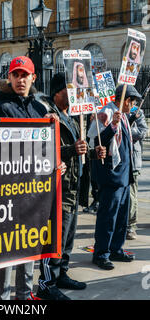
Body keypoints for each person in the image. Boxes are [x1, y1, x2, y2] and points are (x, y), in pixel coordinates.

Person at [37, 72, 106, 300]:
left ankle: (62, 274)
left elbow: (80, 153)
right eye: (69, 90)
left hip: (74, 189)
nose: (75, 94)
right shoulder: (49, 116)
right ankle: (46, 284)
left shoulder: (73, 118)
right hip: (58, 188)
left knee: (67, 238)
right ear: (58, 92)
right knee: (54, 239)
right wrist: (70, 151)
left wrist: (95, 153)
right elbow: (43, 152)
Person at [0, 56, 49, 300]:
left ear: (33, 78)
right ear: (10, 78)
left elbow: (45, 147)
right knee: (5, 248)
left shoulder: (39, 109)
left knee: (28, 243)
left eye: (25, 75)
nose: (20, 79)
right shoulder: (1, 107)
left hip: (33, 191)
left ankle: (24, 295)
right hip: (7, 191)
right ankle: (2, 299)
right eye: (16, 75)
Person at [88, 84, 141, 270]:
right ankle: (101, 253)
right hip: (111, 175)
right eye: (132, 101)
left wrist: (132, 118)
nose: (132, 105)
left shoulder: (124, 116)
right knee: (108, 217)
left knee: (121, 217)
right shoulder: (107, 113)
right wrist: (112, 126)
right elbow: (97, 140)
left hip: (124, 176)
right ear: (125, 100)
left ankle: (116, 248)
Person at [126, 107, 148, 240]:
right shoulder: (110, 110)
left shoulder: (136, 111)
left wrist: (126, 128)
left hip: (133, 160)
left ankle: (131, 225)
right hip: (117, 160)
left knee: (131, 195)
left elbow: (143, 131)